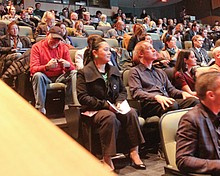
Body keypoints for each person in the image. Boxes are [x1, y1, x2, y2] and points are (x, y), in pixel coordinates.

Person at [77, 38, 145, 171]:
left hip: (114, 107)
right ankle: (107, 157)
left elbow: (122, 91)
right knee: (109, 116)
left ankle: (134, 152)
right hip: (95, 110)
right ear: (95, 53)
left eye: (109, 50)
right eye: (106, 50)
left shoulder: (113, 70)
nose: (109, 53)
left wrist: (119, 102)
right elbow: (83, 97)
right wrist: (104, 105)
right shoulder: (84, 72)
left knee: (131, 113)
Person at [128, 41, 198, 118]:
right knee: (172, 105)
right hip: (150, 103)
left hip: (167, 99)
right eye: (149, 48)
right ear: (141, 54)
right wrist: (156, 97)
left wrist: (182, 93)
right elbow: (136, 92)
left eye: (153, 48)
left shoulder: (160, 71)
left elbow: (171, 89)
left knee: (194, 101)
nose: (154, 50)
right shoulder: (135, 71)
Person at [30, 26, 76, 114]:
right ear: (47, 35)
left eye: (58, 40)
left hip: (59, 76)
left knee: (74, 73)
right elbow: (33, 69)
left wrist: (68, 65)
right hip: (45, 77)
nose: (55, 42)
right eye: (54, 39)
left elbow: (73, 68)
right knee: (37, 75)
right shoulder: (37, 47)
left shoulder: (63, 47)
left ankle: (69, 106)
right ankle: (40, 108)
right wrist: (46, 67)